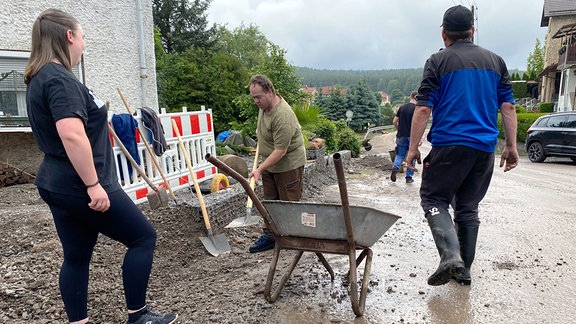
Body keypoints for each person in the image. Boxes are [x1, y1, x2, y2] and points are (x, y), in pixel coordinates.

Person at [24, 9, 177, 324]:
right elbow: (71, 134)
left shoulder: (40, 77)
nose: (83, 45)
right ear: (69, 36)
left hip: (56, 182)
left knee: (77, 256)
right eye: (82, 37)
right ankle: (139, 316)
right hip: (81, 184)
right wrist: (93, 185)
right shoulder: (59, 79)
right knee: (142, 237)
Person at [405, 5, 519, 287]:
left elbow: (422, 110)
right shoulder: (496, 62)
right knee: (468, 207)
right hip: (483, 149)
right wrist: (512, 146)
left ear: (444, 34)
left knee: (434, 199)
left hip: (449, 145)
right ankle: (463, 271)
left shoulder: (437, 61)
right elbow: (507, 105)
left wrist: (412, 149)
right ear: (472, 31)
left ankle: (450, 257)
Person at [247, 74, 307, 253]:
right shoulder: (263, 106)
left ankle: (291, 238)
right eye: (253, 97)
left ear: (270, 92)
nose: (256, 101)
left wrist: (259, 169)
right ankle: (270, 235)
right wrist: (260, 133)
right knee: (270, 200)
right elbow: (262, 127)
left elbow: (281, 151)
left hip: (288, 164)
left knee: (288, 202)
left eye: (259, 97)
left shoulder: (283, 115)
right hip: (269, 162)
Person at [390, 90, 421, 183]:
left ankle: (395, 167)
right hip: (412, 136)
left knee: (400, 154)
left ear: (410, 97)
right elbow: (419, 124)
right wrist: (420, 138)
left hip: (401, 135)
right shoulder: (417, 109)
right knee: (412, 156)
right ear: (417, 98)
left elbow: (394, 121)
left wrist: (398, 129)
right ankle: (408, 177)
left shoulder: (402, 107)